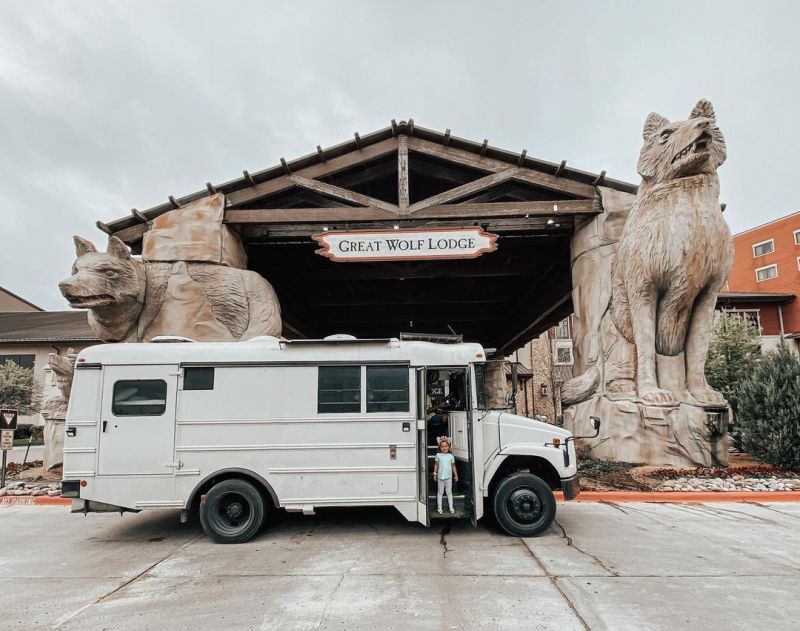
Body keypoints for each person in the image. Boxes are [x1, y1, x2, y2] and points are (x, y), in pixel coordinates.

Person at [432, 436, 458, 514]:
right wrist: (435, 474)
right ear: (440, 447)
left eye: (446, 446)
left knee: (449, 492)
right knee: (440, 492)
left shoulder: (451, 456)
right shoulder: (438, 455)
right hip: (440, 477)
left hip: (449, 477)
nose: (444, 448)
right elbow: (436, 465)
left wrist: (456, 475)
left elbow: (453, 466)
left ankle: (451, 507)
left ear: (449, 447)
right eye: (442, 446)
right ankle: (439, 507)